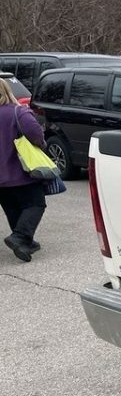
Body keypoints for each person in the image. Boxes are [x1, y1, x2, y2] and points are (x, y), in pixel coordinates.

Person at [0, 78, 46, 262]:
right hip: (20, 172)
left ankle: (26, 242)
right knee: (36, 203)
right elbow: (36, 134)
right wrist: (41, 144)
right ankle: (19, 237)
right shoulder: (18, 112)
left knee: (12, 206)